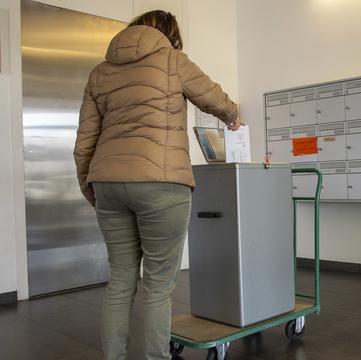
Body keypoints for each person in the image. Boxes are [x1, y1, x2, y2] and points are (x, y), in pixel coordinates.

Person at [73, 10, 239, 360]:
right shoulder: (173, 60)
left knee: (120, 281)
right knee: (158, 286)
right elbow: (214, 98)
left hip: (109, 183)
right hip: (162, 184)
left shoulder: (100, 72)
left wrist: (92, 188)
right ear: (170, 35)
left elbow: (84, 141)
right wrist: (233, 115)